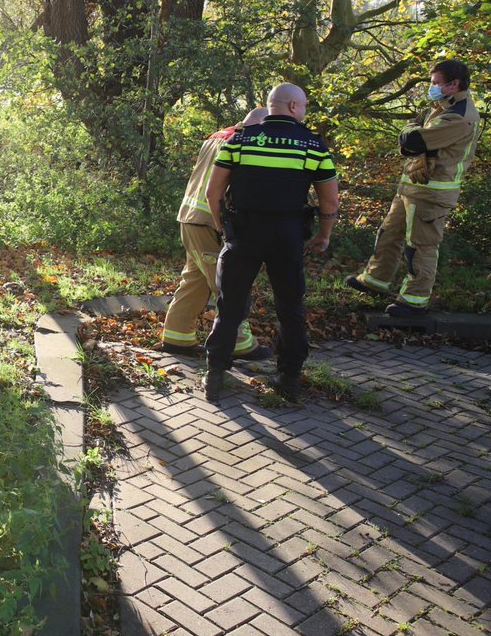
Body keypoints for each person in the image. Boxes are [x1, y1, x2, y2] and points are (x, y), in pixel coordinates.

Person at [203, 83, 340, 403]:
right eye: (304, 106)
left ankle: (215, 375)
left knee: (230, 306)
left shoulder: (240, 140)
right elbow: (329, 201)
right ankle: (289, 378)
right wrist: (324, 234)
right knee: (290, 307)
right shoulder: (312, 145)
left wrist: (224, 227)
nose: (305, 111)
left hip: (245, 232)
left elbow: (213, 193)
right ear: (293, 107)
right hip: (287, 235)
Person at [345, 60, 480, 316]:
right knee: (388, 235)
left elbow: (412, 139)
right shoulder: (442, 106)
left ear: (454, 84)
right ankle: (375, 281)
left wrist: (410, 131)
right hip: (411, 188)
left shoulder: (459, 116)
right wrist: (412, 133)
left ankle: (414, 300)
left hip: (432, 194)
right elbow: (412, 138)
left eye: (436, 83)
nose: (432, 88)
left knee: (420, 246)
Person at [161, 107, 273, 361]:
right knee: (228, 285)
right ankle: (239, 343)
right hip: (209, 223)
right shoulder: (242, 143)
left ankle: (177, 336)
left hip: (191, 218)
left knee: (195, 281)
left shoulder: (217, 137)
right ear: (258, 125)